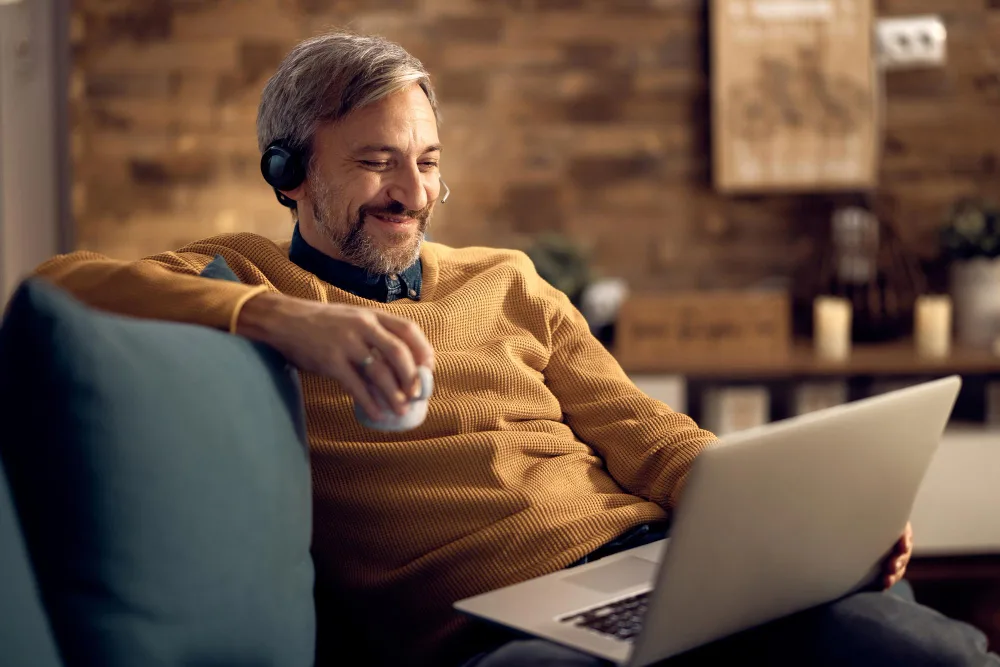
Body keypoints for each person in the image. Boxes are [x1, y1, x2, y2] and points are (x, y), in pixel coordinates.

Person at [34, 31, 997, 667]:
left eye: (426, 161)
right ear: (289, 173)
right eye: (374, 161)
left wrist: (801, 525)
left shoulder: (508, 277)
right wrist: (284, 319)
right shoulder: (245, 275)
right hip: (502, 629)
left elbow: (647, 434)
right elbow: (58, 282)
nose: (407, 190)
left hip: (668, 566)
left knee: (933, 655)